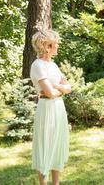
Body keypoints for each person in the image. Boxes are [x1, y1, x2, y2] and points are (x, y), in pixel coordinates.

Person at [30, 30, 71, 185]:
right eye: (55, 43)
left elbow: (69, 88)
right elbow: (50, 92)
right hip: (46, 108)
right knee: (45, 145)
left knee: (58, 144)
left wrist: (56, 86)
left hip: (59, 108)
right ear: (47, 46)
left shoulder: (53, 65)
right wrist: (59, 88)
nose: (58, 45)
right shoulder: (38, 65)